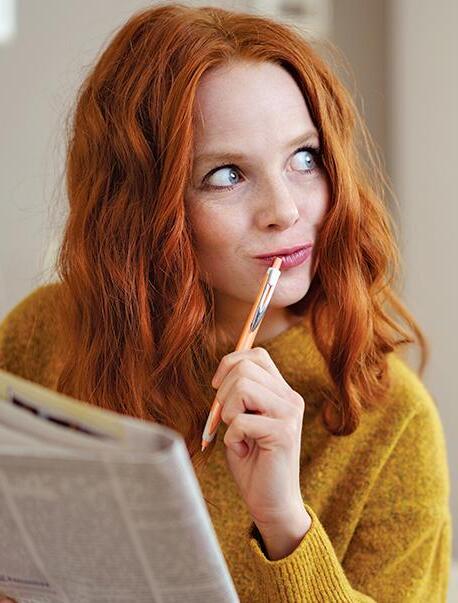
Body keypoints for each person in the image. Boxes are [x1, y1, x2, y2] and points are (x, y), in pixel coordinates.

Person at [0, 3, 452, 601]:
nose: (285, 210)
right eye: (227, 175)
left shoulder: (390, 420)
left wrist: (284, 522)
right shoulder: (45, 333)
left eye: (305, 158)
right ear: (141, 209)